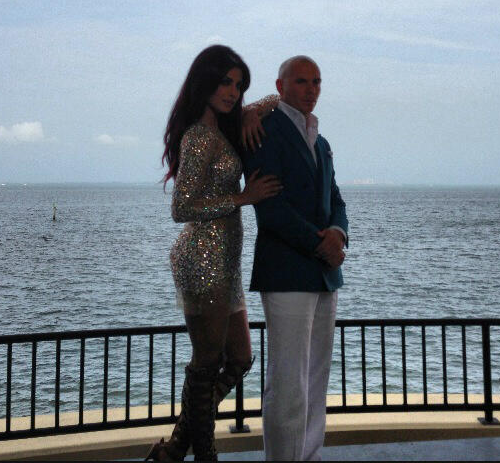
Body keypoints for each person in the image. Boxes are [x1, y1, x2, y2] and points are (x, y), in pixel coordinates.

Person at [146, 45, 281, 462]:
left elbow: (276, 98)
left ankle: (175, 447)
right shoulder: (199, 137)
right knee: (206, 364)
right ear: (204, 81)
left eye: (239, 85)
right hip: (201, 260)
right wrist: (242, 198)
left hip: (225, 262)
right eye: (225, 82)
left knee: (240, 358)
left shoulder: (223, 127)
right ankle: (203, 455)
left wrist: (253, 110)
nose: (232, 91)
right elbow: (181, 208)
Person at [243, 55, 349, 461]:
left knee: (316, 379)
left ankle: (309, 455)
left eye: (317, 81)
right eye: (302, 81)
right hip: (286, 272)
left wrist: (338, 233)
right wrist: (320, 244)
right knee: (288, 383)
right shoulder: (265, 131)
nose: (311, 89)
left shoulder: (321, 142)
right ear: (280, 86)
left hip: (323, 274)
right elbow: (270, 208)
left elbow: (335, 200)